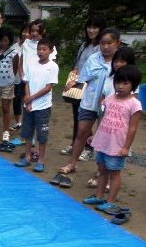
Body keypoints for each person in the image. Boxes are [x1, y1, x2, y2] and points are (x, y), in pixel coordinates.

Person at [58, 27, 121, 178]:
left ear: (117, 43)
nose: (105, 47)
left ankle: (101, 171)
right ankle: (72, 163)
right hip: (89, 101)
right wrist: (72, 83)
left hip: (109, 105)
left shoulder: (120, 62)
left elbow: (129, 82)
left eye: (109, 43)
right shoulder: (93, 58)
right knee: (81, 133)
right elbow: (82, 78)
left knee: (103, 138)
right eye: (102, 43)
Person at [81, 65, 142, 215]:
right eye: (118, 82)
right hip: (103, 142)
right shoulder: (109, 98)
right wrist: (95, 135)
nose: (120, 86)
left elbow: (132, 128)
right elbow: (103, 119)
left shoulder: (134, 104)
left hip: (117, 146)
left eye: (125, 83)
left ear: (133, 85)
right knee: (102, 170)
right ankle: (99, 196)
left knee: (114, 174)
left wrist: (126, 147)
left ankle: (110, 202)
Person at [87, 46, 137, 189]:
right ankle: (100, 175)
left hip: (119, 128)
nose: (118, 64)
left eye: (122, 61)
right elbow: (103, 98)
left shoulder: (132, 86)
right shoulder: (110, 78)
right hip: (106, 118)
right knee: (101, 153)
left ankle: (109, 180)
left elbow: (132, 114)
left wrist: (126, 145)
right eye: (116, 61)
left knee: (113, 158)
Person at [60, 16, 106, 156]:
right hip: (78, 85)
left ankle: (88, 147)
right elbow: (78, 64)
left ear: (101, 29)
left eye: (95, 27)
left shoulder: (101, 48)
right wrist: (74, 74)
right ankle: (75, 144)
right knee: (77, 117)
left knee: (88, 118)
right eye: (89, 27)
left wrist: (82, 78)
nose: (91, 30)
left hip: (92, 88)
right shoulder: (84, 45)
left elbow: (96, 70)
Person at [14, 38, 59, 173]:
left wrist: (31, 99)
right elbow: (27, 82)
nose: (41, 52)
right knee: (27, 133)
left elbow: (48, 87)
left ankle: (40, 160)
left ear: (51, 51)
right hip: (29, 106)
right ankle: (27, 157)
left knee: (42, 135)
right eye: (39, 49)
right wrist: (28, 99)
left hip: (43, 107)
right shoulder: (32, 64)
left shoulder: (53, 66)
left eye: (44, 49)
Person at [11, 23, 30, 131]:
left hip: (28, 78)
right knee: (16, 100)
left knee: (26, 100)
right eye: (24, 31)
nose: (26, 34)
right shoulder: (15, 46)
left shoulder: (33, 47)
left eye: (28, 31)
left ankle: (26, 122)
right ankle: (18, 122)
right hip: (17, 78)